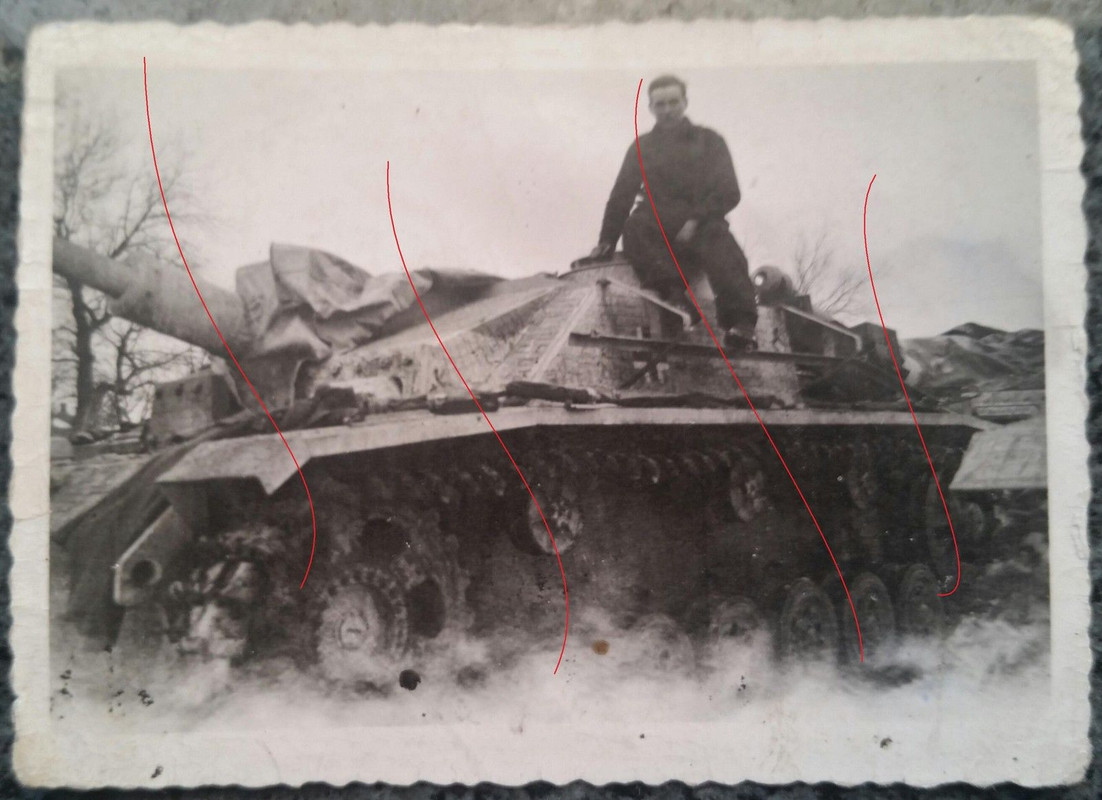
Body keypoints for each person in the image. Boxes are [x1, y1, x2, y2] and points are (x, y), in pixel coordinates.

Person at [589, 75, 758, 346]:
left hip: (701, 221)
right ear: (650, 108)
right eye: (660, 104)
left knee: (722, 245)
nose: (667, 110)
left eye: (673, 102)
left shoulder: (710, 140)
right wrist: (606, 241)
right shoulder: (642, 147)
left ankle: (741, 324)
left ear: (685, 102)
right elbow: (621, 196)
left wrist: (696, 219)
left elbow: (729, 191)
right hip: (657, 223)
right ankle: (675, 300)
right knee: (635, 228)